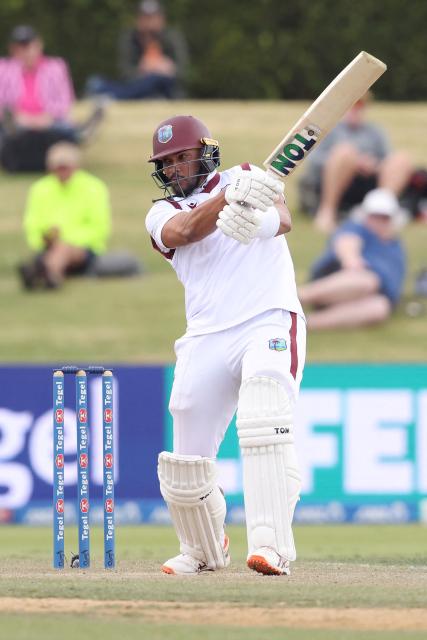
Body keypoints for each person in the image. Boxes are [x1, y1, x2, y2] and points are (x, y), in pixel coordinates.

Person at [145, 115, 306, 576]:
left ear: (205, 150)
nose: (175, 168)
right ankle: (203, 550)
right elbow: (187, 232)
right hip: (205, 335)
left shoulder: (250, 176)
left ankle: (272, 546)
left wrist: (255, 217)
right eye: (167, 162)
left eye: (182, 156)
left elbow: (284, 221)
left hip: (268, 316)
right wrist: (226, 201)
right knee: (185, 464)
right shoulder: (160, 212)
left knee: (263, 413)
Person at [298, 93, 413, 233]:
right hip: (332, 183)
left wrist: (372, 164)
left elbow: (387, 160)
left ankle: (384, 211)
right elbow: (314, 160)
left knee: (402, 159)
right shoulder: (328, 130)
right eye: (351, 106)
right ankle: (327, 212)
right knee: (345, 152)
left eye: (359, 106)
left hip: (368, 182)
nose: (355, 110)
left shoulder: (374, 131)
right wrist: (353, 162)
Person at [298, 188, 407, 330]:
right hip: (341, 280)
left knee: (380, 307)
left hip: (368, 296)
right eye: (375, 216)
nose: (379, 221)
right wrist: (351, 260)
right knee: (367, 281)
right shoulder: (357, 228)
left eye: (384, 217)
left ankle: (305, 324)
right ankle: (296, 297)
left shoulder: (396, 246)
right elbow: (347, 243)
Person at [0, 25, 105, 171]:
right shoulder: (4, 69)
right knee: (9, 130)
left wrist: (46, 118)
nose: (25, 51)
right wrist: (20, 117)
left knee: (61, 126)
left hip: (49, 121)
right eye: (20, 47)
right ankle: (77, 134)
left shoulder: (55, 67)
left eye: (28, 45)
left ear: (38, 44)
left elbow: (65, 101)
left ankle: (79, 133)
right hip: (17, 123)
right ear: (13, 49)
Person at [18, 142, 111, 290]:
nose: (62, 172)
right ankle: (51, 275)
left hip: (84, 249)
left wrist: (64, 240)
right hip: (48, 245)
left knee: (62, 249)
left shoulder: (93, 187)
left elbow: (99, 228)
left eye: (65, 167)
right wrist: (46, 236)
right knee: (58, 249)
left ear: (76, 166)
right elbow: (32, 224)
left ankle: (45, 273)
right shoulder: (40, 189)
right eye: (58, 167)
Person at [86, 0, 188, 100]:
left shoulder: (171, 38)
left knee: (157, 79)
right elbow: (124, 72)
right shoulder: (129, 38)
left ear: (161, 19)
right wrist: (142, 69)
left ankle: (107, 93)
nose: (149, 22)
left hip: (165, 89)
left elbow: (183, 72)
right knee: (96, 81)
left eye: (153, 17)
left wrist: (169, 68)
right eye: (145, 17)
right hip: (138, 87)